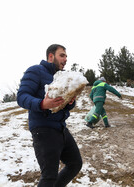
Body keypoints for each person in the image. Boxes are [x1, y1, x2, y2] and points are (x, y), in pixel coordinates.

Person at [17, 44, 82, 187]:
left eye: (66, 56)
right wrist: (42, 104)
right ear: (51, 56)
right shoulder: (35, 71)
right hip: (43, 129)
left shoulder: (62, 77)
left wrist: (70, 101)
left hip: (61, 128)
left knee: (75, 163)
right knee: (49, 176)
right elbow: (22, 97)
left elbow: (62, 104)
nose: (65, 59)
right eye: (62, 55)